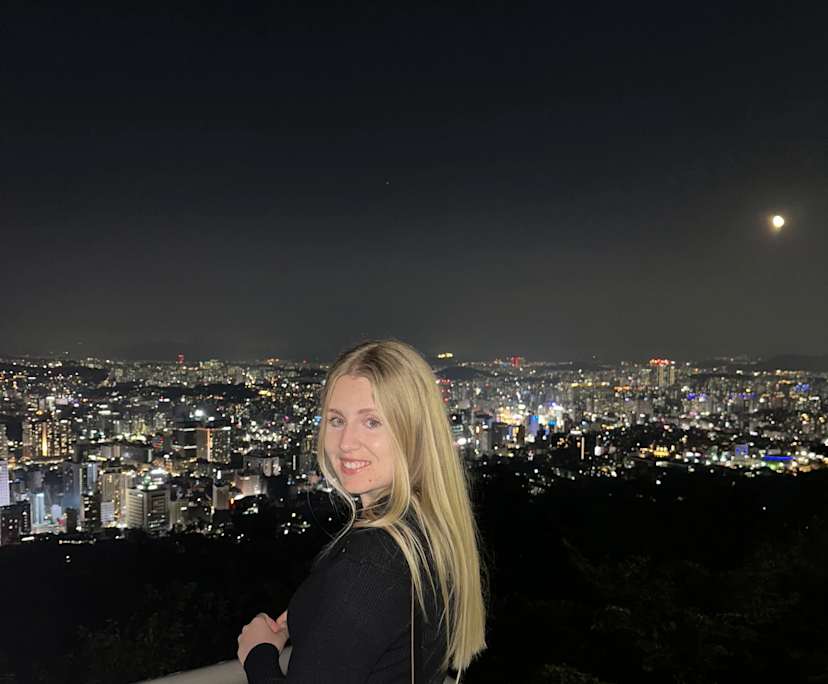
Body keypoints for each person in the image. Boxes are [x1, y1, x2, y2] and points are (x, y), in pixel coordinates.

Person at [237, 339, 488, 682]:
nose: (345, 443)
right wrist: (318, 617)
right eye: (336, 420)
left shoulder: (369, 565)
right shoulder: (429, 528)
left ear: (415, 433)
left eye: (371, 422)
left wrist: (258, 654)